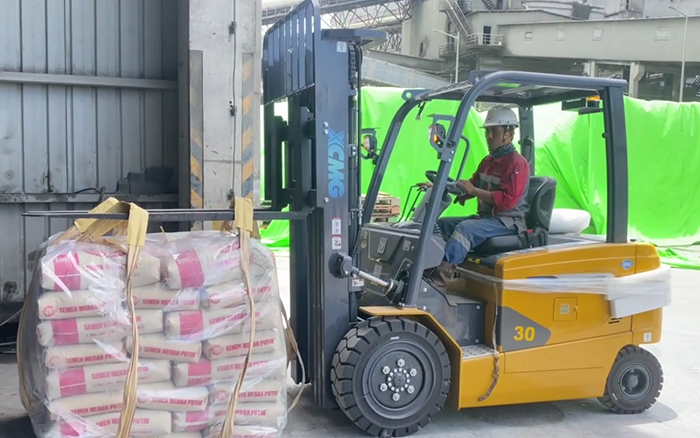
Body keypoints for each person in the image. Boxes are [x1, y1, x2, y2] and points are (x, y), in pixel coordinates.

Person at [425, 105, 531, 288]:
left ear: (509, 133)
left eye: (494, 131)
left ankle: (439, 280)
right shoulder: (488, 161)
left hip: (508, 222)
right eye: (487, 131)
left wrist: (474, 192)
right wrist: (440, 186)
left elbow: (508, 200)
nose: (489, 136)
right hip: (487, 219)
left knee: (465, 229)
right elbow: (471, 184)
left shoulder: (517, 163)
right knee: (441, 225)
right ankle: (427, 270)